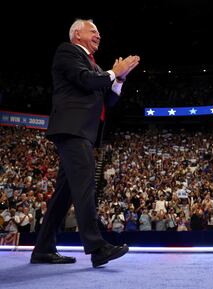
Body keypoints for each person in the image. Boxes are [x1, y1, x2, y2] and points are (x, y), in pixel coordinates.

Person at [30, 19, 139, 268]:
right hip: (72, 129)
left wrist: (119, 79)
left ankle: (43, 248)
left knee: (63, 194)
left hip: (82, 132)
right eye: (94, 31)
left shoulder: (95, 65)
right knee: (86, 183)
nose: (99, 35)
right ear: (77, 33)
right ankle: (97, 247)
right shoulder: (67, 52)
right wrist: (113, 72)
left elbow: (108, 101)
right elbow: (87, 81)